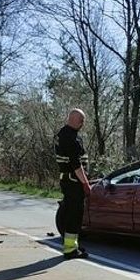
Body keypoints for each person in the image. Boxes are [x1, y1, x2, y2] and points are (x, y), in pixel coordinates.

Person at [54, 108, 92, 259]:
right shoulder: (70, 138)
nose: (83, 123)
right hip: (73, 181)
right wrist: (86, 183)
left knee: (72, 213)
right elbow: (76, 165)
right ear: (74, 120)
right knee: (74, 215)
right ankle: (70, 249)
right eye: (81, 120)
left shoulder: (64, 134)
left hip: (69, 180)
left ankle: (72, 246)